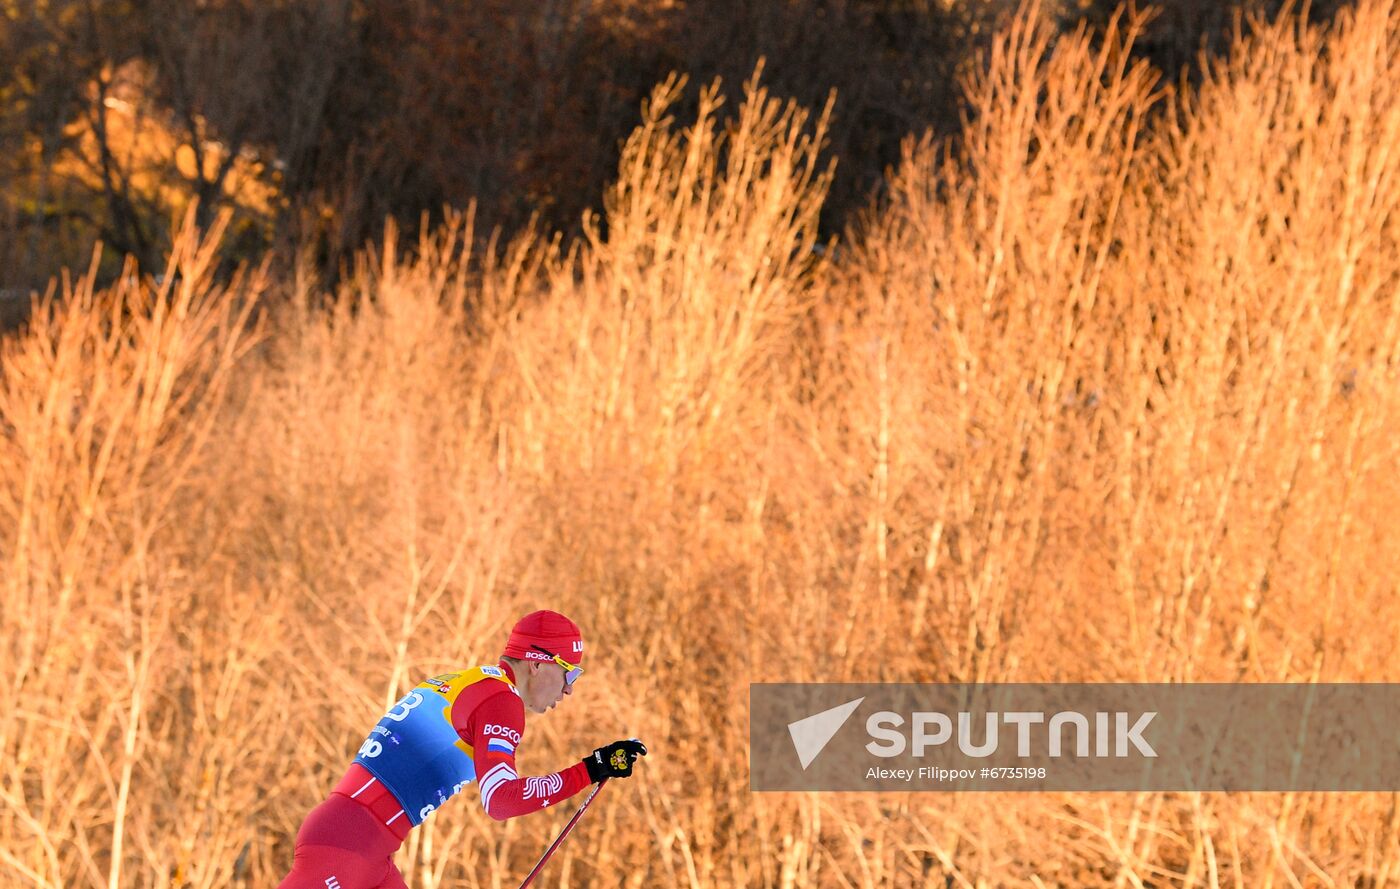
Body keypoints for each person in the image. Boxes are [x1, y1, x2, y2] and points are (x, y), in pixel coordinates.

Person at [278, 610, 647, 889]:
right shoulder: (501, 701)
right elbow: (501, 799)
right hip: (346, 848)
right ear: (537, 663)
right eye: (570, 674)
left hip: (366, 851)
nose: (569, 689)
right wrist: (590, 770)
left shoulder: (468, 683)